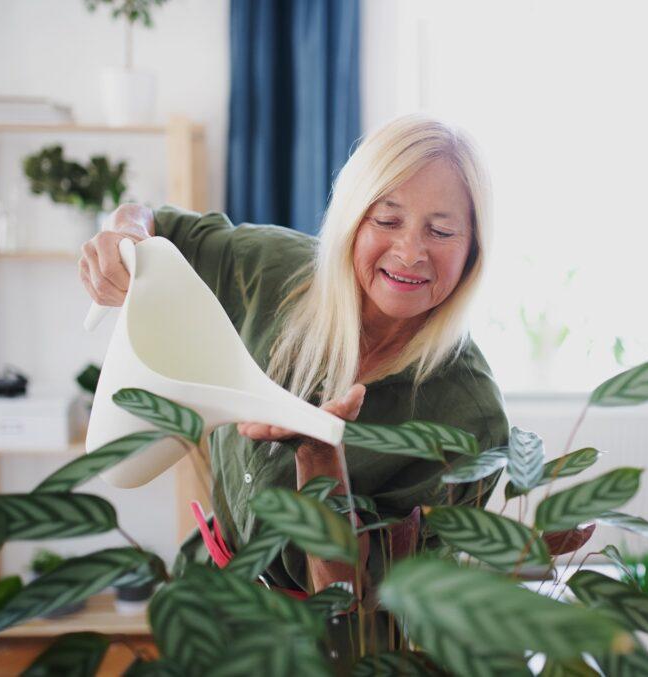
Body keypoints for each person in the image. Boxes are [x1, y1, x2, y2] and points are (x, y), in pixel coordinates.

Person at [77, 114, 509, 599]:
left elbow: (354, 595)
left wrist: (320, 457)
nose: (410, 252)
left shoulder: (470, 420)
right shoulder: (267, 267)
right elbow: (153, 224)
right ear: (351, 218)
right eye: (387, 220)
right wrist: (123, 240)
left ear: (473, 249)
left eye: (442, 232)